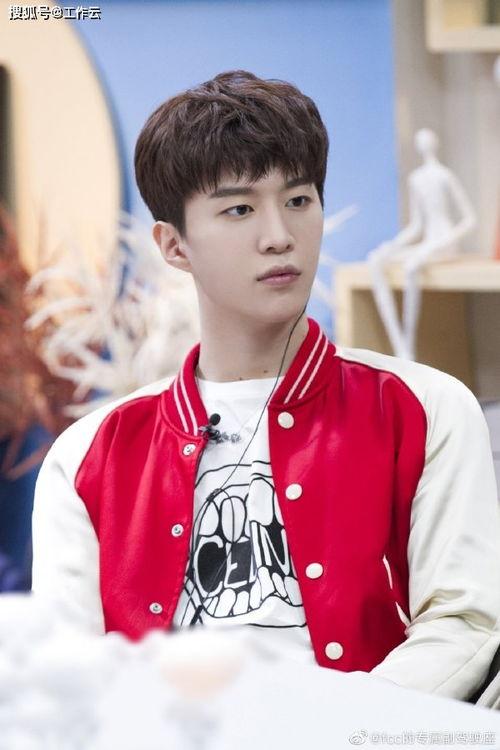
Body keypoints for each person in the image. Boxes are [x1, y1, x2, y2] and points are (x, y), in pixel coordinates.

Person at [32, 70, 500, 702]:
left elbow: (463, 624)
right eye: (240, 209)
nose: (279, 236)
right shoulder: (88, 455)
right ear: (174, 245)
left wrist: (335, 733)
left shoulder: (427, 408)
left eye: (299, 200)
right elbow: (67, 677)